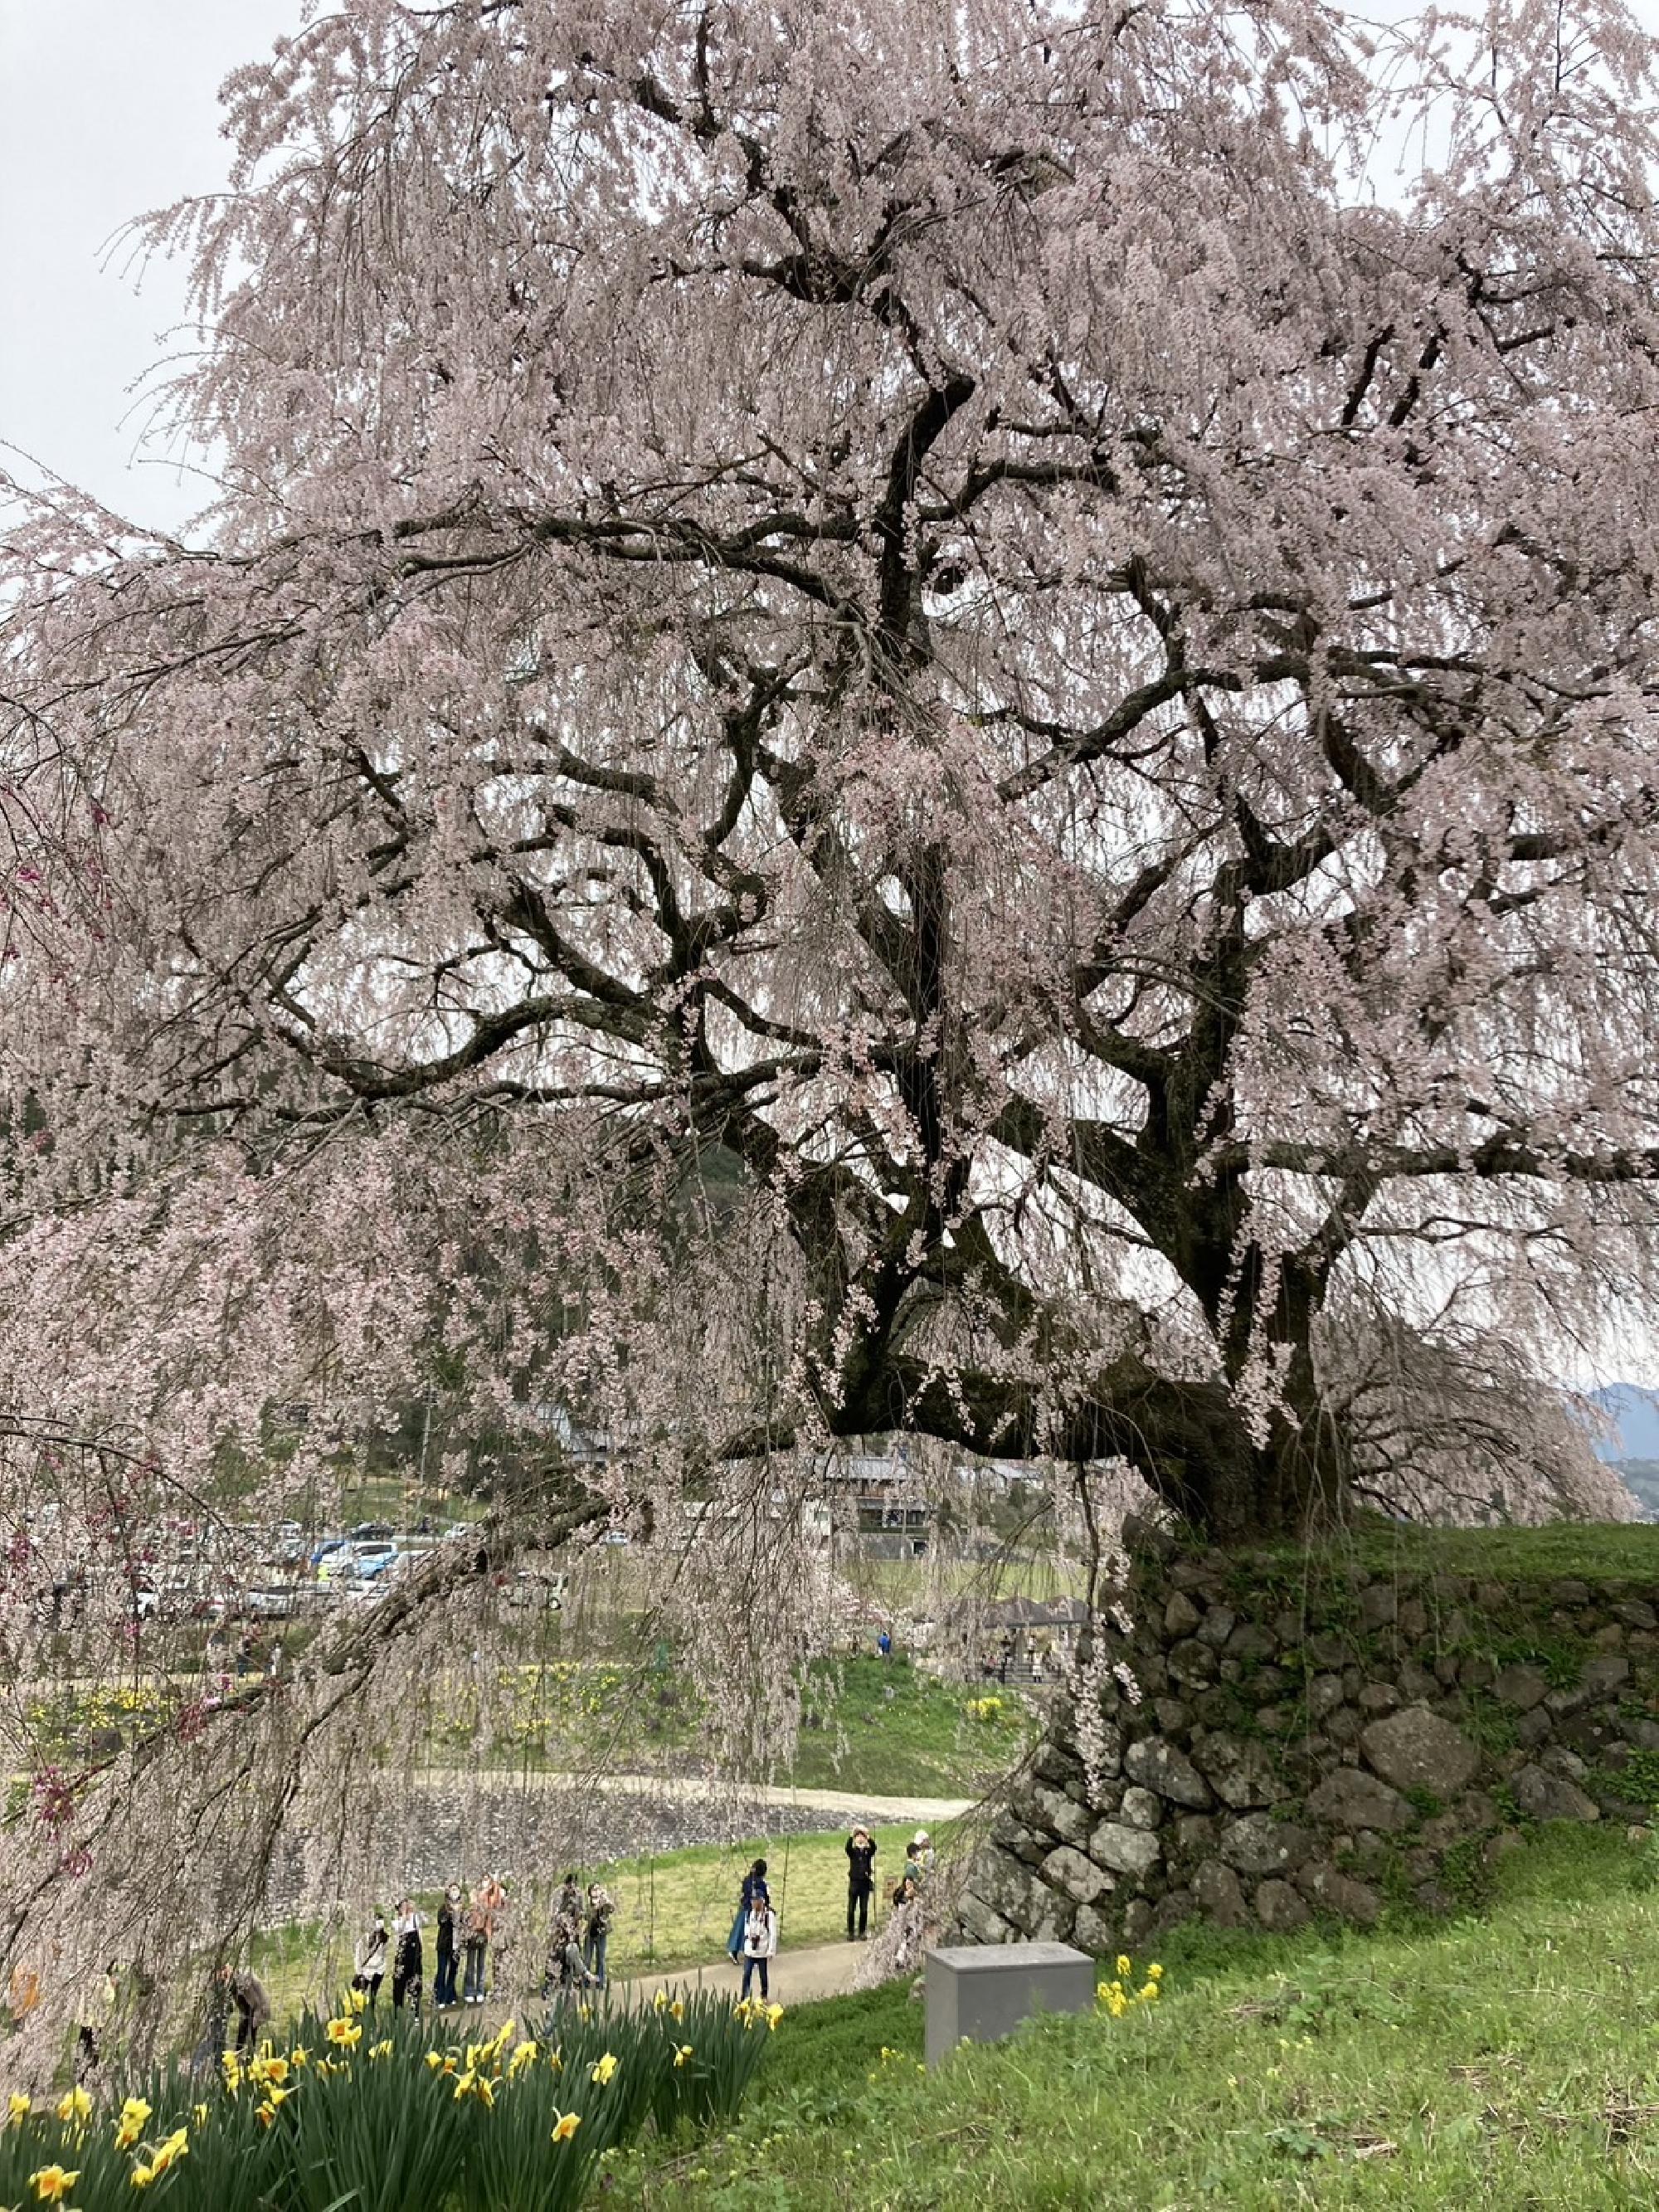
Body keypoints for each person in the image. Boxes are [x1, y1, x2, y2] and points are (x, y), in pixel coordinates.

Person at [211, 1961, 270, 2056]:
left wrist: (263, 2008)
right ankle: (240, 2055)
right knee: (243, 2031)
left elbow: (257, 1992)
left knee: (251, 2031)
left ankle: (250, 2056)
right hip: (246, 2008)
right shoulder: (228, 1982)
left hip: (256, 2007)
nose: (223, 1976)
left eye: (224, 1972)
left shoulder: (244, 1975)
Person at [728, 1858, 769, 1961]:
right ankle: (743, 1952)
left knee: (740, 1930)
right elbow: (765, 1897)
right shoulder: (761, 1884)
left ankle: (735, 1950)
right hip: (752, 1910)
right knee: (748, 1931)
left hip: (744, 1907)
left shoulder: (747, 1880)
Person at [739, 1893, 776, 2002]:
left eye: (756, 1901)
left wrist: (771, 1951)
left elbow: (773, 1934)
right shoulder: (750, 1913)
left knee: (763, 1974)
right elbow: (747, 1927)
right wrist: (748, 1937)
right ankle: (744, 1996)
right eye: (752, 1901)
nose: (753, 1903)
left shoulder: (768, 1915)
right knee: (747, 1973)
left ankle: (764, 1994)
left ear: (761, 1901)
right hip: (750, 1950)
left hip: (762, 1950)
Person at [460, 1885, 490, 2005]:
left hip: (482, 1938)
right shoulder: (468, 1912)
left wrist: (487, 1935)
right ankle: (469, 1991)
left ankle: (480, 1990)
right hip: (471, 1939)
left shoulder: (484, 1911)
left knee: (481, 1965)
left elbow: (486, 1924)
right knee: (471, 1965)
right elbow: (465, 1926)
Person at [392, 1897, 424, 2011]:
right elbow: (399, 1929)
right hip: (403, 1956)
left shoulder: (415, 1918)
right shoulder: (396, 1921)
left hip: (415, 1954)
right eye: (402, 1906)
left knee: (415, 1980)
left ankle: (415, 2010)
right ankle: (398, 2010)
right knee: (399, 1982)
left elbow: (422, 1926)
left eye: (407, 1905)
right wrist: (405, 1917)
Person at [845, 1825, 877, 1941]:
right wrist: (851, 1835)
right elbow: (847, 1847)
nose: (860, 1838)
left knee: (864, 1909)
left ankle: (862, 1931)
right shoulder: (853, 1852)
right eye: (858, 1836)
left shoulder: (868, 1852)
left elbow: (874, 1848)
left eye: (861, 1836)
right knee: (851, 1909)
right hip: (854, 1883)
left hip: (864, 1884)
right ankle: (850, 1932)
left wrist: (869, 1838)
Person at [433, 1883, 461, 2010]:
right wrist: (450, 1913)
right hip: (445, 1944)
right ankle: (439, 1996)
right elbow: (441, 1921)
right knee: (442, 1970)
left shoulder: (462, 1908)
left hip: (457, 1944)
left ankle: (450, 1995)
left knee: (453, 1971)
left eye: (456, 1890)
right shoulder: (444, 1908)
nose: (455, 1892)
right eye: (452, 1890)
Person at [353, 1912, 388, 2008]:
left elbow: (383, 1954)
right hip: (366, 1970)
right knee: (360, 1997)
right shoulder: (365, 1938)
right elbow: (358, 1955)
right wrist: (359, 1971)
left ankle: (370, 2016)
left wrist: (382, 1968)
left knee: (373, 1996)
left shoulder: (384, 1938)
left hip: (378, 1970)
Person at [583, 1881, 614, 1989]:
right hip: (590, 1934)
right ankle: (585, 1982)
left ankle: (600, 1982)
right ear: (590, 1892)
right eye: (594, 1889)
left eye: (598, 1889)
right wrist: (595, 1907)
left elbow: (611, 1909)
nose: (596, 1891)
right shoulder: (588, 1904)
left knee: (601, 1958)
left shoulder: (604, 1901)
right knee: (587, 1958)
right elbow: (587, 1916)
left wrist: (605, 1900)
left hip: (601, 1934)